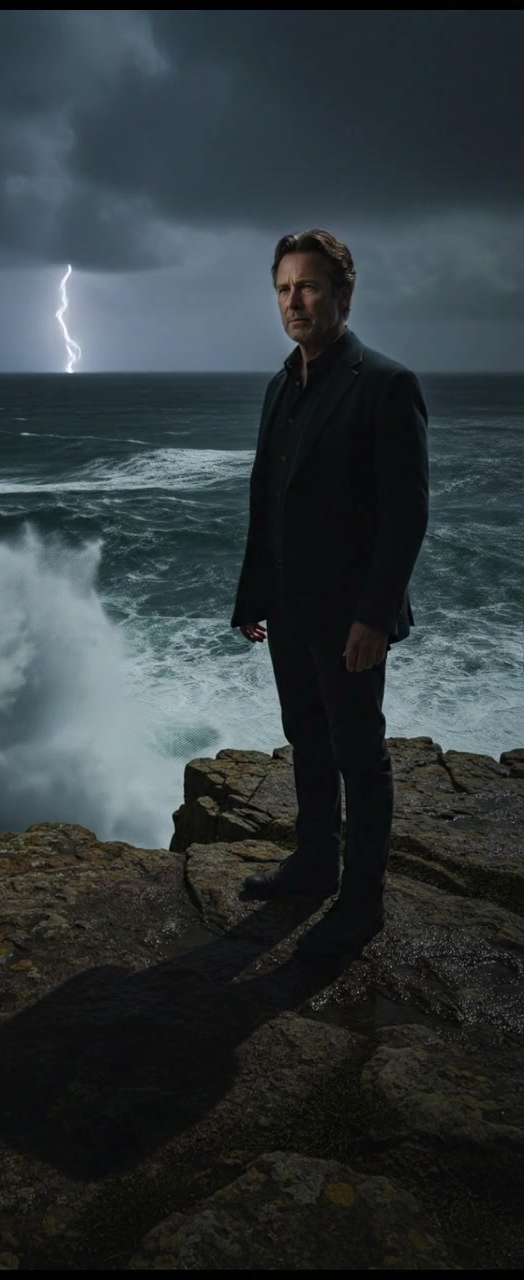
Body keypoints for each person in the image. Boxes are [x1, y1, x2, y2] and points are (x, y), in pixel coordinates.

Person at [230, 228, 429, 957]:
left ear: (342, 294)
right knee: (305, 740)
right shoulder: (281, 385)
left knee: (359, 751)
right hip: (288, 608)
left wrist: (375, 616)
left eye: (308, 287)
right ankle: (314, 865)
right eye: (284, 289)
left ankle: (362, 901)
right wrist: (251, 599)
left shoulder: (384, 384)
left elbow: (407, 514)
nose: (294, 301)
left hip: (350, 617)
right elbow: (269, 500)